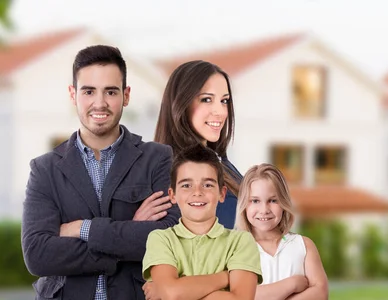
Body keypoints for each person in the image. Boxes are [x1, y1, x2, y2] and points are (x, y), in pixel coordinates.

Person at [21, 45, 180, 300]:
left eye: (111, 91)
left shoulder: (157, 158)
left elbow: (170, 240)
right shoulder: (44, 169)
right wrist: (128, 232)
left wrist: (83, 229)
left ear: (126, 95)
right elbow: (38, 256)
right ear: (73, 95)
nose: (100, 103)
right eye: (89, 91)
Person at [142, 144, 262, 300]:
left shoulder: (241, 241)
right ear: (172, 195)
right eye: (186, 185)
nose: (197, 192)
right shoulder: (160, 239)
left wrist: (180, 288)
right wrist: (225, 277)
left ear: (222, 193)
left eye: (207, 185)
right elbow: (172, 293)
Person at [154, 60, 241, 229]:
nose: (221, 112)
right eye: (207, 99)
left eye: (224, 101)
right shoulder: (167, 172)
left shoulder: (222, 162)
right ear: (181, 104)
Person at [235, 164, 329, 300]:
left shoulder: (303, 245)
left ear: (284, 202)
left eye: (273, 200)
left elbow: (321, 293)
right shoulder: (236, 249)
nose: (264, 209)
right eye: (255, 201)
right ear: (244, 204)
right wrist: (291, 284)